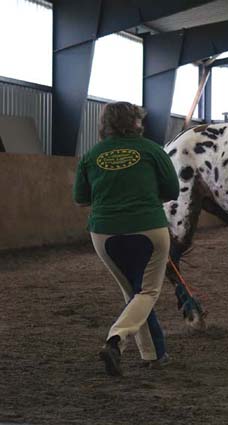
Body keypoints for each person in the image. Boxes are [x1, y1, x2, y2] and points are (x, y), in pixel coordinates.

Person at [73, 101, 179, 376]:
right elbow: (172, 190)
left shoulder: (90, 155)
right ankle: (115, 340)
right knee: (147, 292)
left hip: (104, 234)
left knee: (133, 293)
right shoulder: (152, 150)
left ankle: (153, 354)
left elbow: (81, 199)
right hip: (149, 229)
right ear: (137, 123)